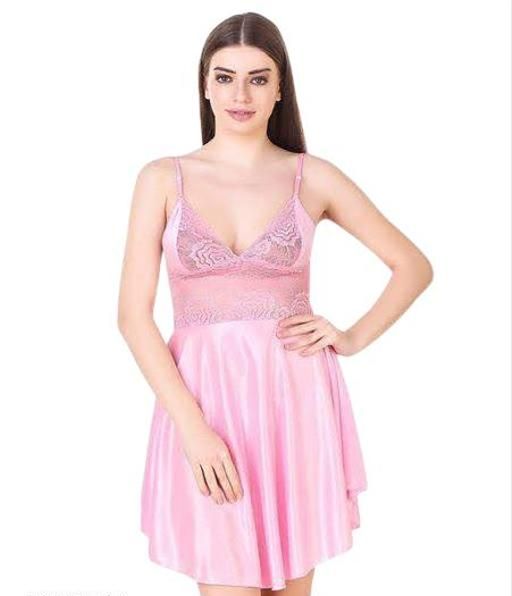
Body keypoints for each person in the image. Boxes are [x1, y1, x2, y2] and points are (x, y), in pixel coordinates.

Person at [117, 12, 433, 596]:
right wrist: (193, 428)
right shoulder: (163, 178)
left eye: (258, 79)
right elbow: (133, 318)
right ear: (205, 84)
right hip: (204, 405)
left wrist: (351, 337)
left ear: (280, 87)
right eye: (225, 77)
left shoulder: (310, 177)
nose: (240, 94)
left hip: (295, 400)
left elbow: (412, 266)